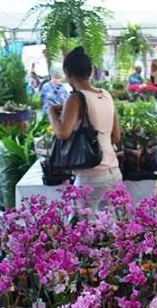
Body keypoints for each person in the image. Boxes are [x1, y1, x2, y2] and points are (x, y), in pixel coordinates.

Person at [48, 46, 121, 210]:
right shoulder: (106, 95)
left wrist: (52, 112)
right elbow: (116, 136)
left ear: (67, 72)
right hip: (113, 171)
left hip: (91, 174)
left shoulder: (76, 98)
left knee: (83, 227)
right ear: (90, 71)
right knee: (113, 226)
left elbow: (62, 133)